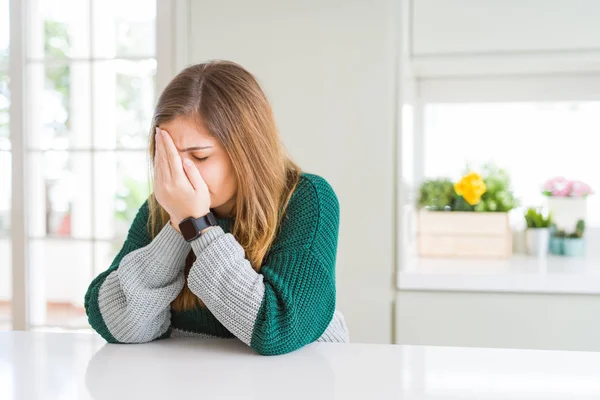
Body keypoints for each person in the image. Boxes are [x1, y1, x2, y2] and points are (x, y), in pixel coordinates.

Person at [84, 60, 349, 356]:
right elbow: (117, 324)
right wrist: (177, 225)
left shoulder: (306, 198)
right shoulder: (165, 206)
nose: (182, 175)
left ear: (247, 150)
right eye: (169, 157)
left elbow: (279, 330)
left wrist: (196, 225)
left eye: (199, 156)